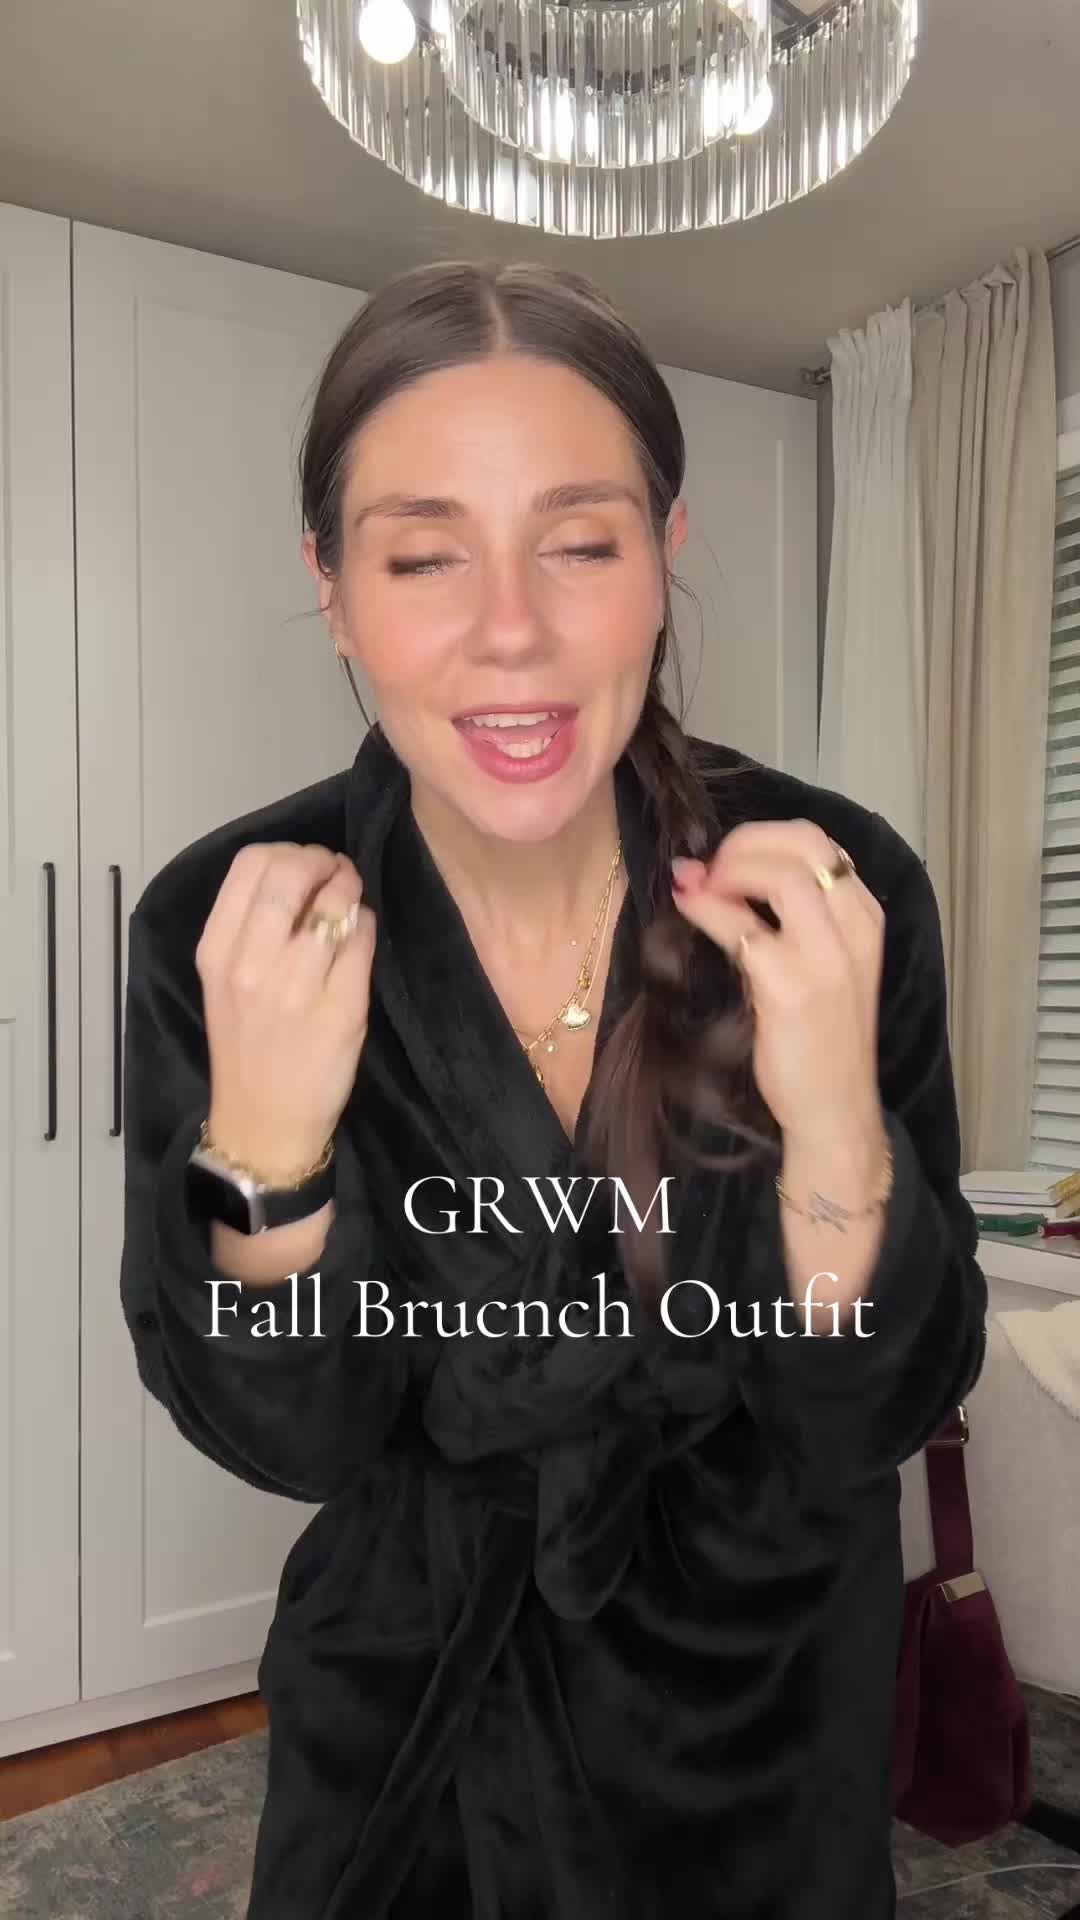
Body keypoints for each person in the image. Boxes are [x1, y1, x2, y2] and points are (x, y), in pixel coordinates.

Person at [119, 260, 988, 1920]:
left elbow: (867, 1416)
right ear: (331, 586)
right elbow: (285, 1434)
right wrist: (269, 1151)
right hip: (414, 1737)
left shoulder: (830, 884)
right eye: (424, 555)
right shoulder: (226, 923)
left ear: (664, 554)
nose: (509, 628)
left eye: (581, 544)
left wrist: (833, 1125)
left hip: (758, 1727)